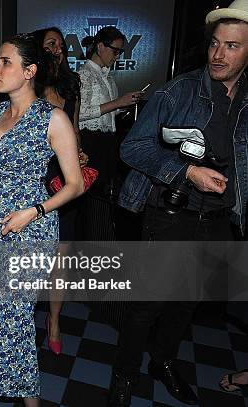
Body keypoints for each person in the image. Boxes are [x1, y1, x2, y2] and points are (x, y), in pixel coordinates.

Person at [110, 2, 248, 405]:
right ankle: (123, 379)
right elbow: (132, 148)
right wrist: (187, 172)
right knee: (147, 304)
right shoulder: (179, 90)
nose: (219, 55)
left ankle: (163, 361)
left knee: (185, 303)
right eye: (215, 45)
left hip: (219, 219)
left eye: (233, 46)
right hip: (171, 214)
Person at [0, 34, 84, 406]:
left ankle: (27, 397)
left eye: (5, 62)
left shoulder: (53, 119)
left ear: (29, 71)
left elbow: (75, 184)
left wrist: (36, 210)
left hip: (29, 232)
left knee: (12, 319)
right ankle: (15, 368)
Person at [32, 26, 88, 356]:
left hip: (65, 180)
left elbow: (75, 129)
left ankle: (54, 319)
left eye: (60, 44)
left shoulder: (72, 85)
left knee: (60, 257)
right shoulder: (28, 87)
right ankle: (21, 316)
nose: (57, 48)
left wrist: (78, 155)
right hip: (36, 178)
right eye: (49, 44)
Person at [78, 27, 145, 241]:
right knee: (93, 197)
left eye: (120, 53)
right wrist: (118, 102)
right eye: (115, 51)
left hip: (107, 141)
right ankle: (89, 244)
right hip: (90, 142)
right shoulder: (83, 75)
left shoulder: (108, 77)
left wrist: (124, 106)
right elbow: (79, 114)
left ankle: (99, 242)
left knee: (104, 195)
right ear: (100, 47)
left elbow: (107, 112)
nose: (117, 56)